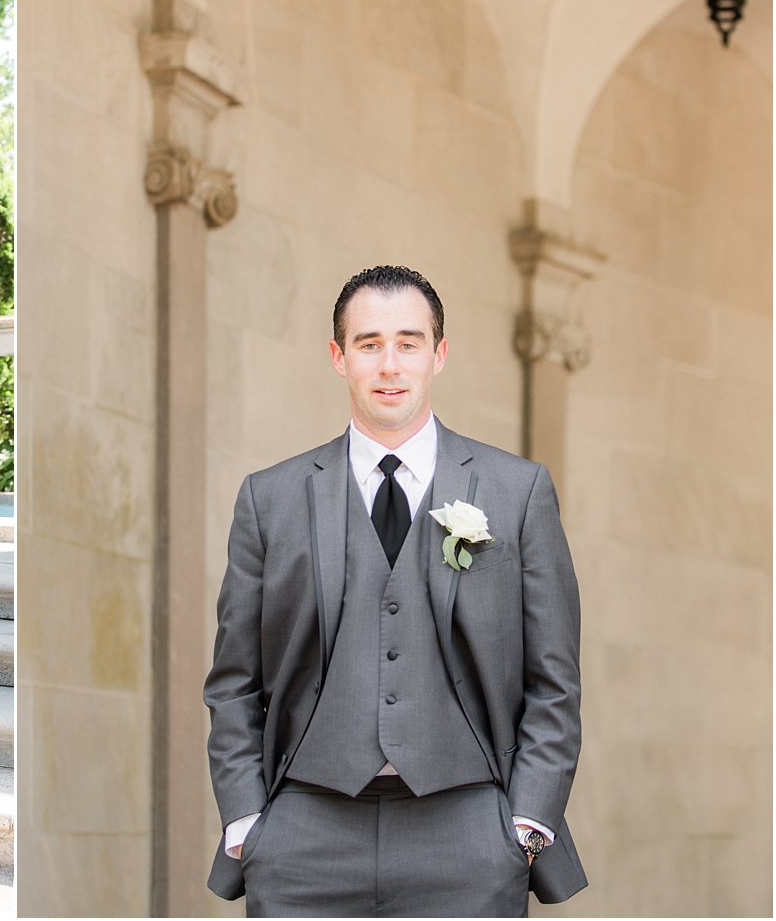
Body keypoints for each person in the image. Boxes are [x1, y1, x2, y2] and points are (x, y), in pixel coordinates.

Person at [204, 265, 587, 916]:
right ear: (338, 356)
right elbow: (234, 679)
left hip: (468, 831)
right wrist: (247, 819)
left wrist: (524, 822)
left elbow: (553, 677)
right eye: (369, 342)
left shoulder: (517, 491)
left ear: (439, 353)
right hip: (305, 833)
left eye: (409, 342)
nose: (390, 364)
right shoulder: (269, 499)